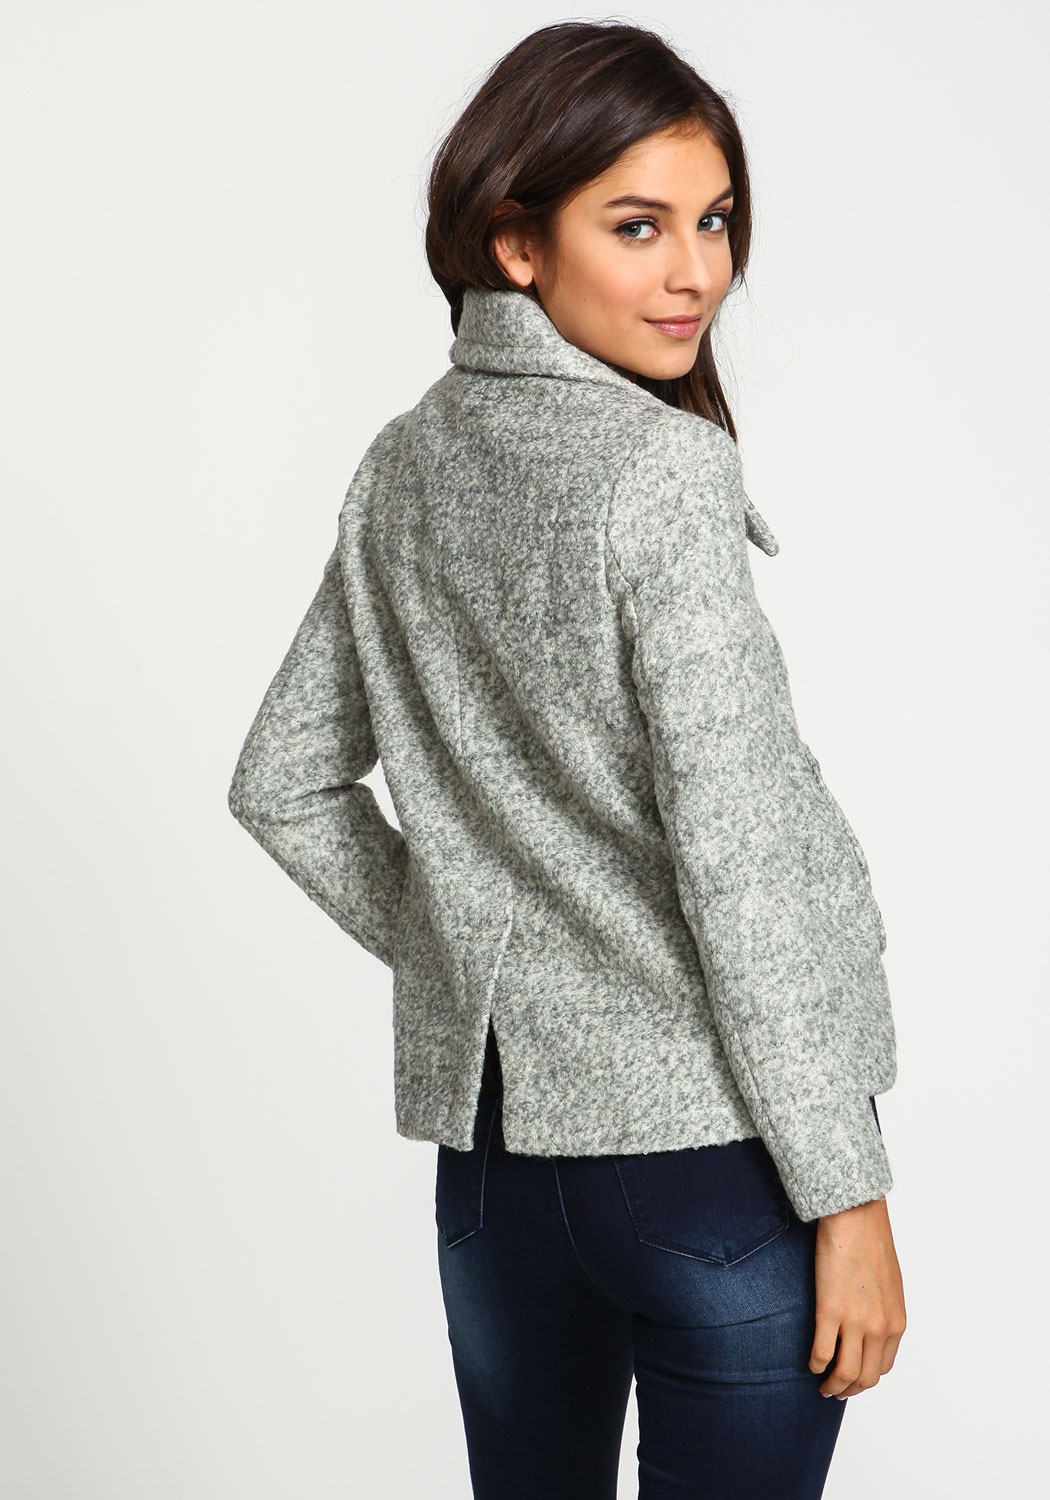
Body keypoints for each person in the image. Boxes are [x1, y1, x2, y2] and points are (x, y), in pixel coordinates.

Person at [227, 20, 907, 1499]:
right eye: (637, 225)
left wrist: (484, 965)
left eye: (715, 221)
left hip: (493, 1177)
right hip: (715, 1159)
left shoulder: (402, 462)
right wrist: (848, 1193)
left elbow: (281, 780)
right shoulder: (661, 470)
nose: (696, 272)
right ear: (515, 243)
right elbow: (739, 860)